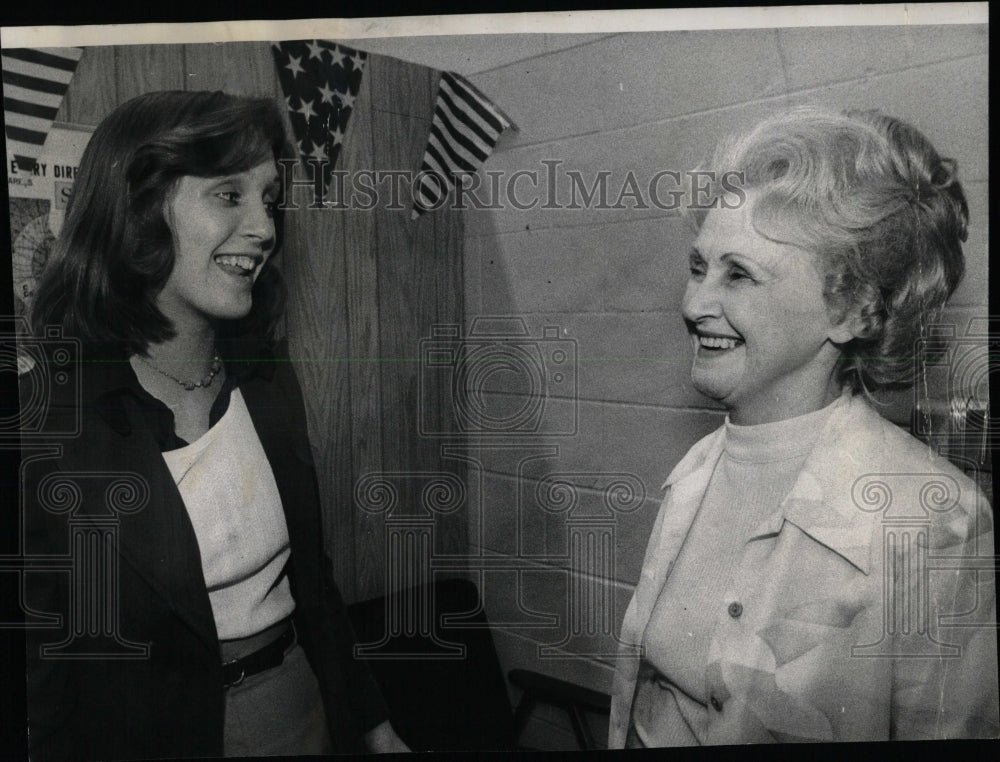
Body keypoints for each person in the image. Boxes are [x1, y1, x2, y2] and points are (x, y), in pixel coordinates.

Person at [20, 90, 409, 759]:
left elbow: (312, 584)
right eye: (229, 195)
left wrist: (374, 725)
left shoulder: (267, 380)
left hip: (303, 711)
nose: (264, 227)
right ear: (137, 214)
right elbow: (42, 669)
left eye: (268, 197)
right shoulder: (44, 422)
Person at [609, 106, 998, 745]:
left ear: (852, 310)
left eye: (739, 274)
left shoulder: (937, 524)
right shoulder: (697, 469)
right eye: (698, 266)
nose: (694, 304)